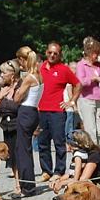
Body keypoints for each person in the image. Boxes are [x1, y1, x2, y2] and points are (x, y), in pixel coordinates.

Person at [38, 41, 80, 182]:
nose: (52, 55)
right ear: (46, 52)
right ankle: (46, 170)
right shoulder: (41, 68)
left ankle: (59, 171)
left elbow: (78, 84)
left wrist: (72, 101)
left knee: (59, 143)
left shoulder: (64, 69)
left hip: (57, 111)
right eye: (50, 52)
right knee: (42, 142)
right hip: (42, 110)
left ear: (59, 55)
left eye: (55, 53)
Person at [51, 129, 100, 200]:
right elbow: (71, 174)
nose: (67, 148)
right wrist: (58, 181)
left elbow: (82, 180)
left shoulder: (94, 155)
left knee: (80, 192)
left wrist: (62, 184)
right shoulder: (85, 154)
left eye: (69, 145)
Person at [13, 46, 43, 198]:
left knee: (22, 151)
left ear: (22, 59)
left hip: (25, 112)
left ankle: (27, 187)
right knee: (27, 150)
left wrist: (16, 90)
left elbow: (17, 98)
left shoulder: (29, 78)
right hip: (33, 111)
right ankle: (28, 184)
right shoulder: (39, 75)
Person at [75, 37, 100, 146]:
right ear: (89, 52)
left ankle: (94, 149)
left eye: (99, 53)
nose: (98, 55)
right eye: (96, 53)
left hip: (99, 101)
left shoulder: (98, 65)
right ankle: (93, 156)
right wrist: (93, 79)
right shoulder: (81, 65)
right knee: (91, 131)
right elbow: (81, 82)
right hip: (87, 100)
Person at [0, 60, 22, 195]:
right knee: (12, 156)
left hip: (18, 124)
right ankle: (17, 183)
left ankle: (21, 184)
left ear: (13, 74)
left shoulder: (20, 87)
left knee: (19, 155)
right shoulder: (2, 88)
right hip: (6, 126)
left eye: (4, 72)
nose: (2, 75)